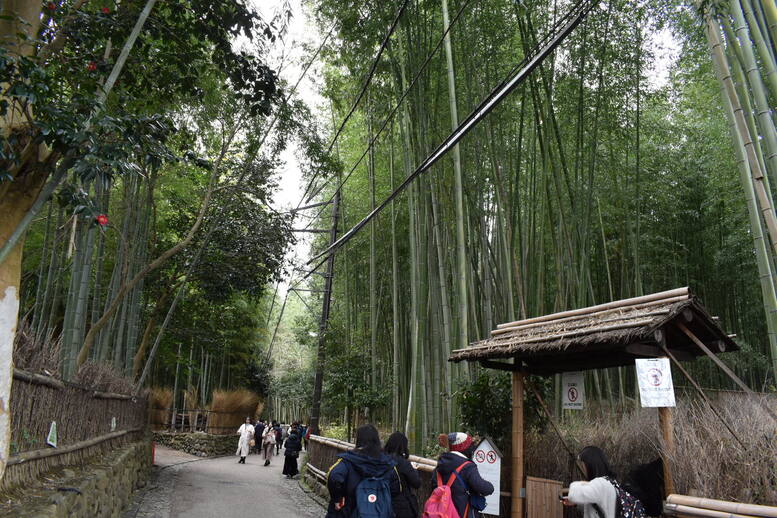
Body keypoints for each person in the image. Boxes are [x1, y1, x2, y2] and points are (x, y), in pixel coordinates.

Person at [325, 424, 401, 518]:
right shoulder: (388, 464)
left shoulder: (349, 461)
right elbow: (396, 488)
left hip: (349, 511)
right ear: (377, 440)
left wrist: (337, 499)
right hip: (380, 513)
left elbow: (333, 476)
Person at [432, 433, 494, 518]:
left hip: (441, 513)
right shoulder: (467, 467)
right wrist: (490, 486)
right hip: (461, 512)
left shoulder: (439, 465)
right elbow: (482, 487)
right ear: (464, 448)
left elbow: (434, 486)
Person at [562, 446, 617, 518]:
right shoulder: (611, 483)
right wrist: (576, 503)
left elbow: (573, 494)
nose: (582, 468)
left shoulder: (601, 483)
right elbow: (597, 507)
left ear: (591, 465)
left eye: (583, 464)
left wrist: (584, 484)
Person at [384, 432, 421, 518]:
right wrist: (414, 469)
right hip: (400, 506)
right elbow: (416, 483)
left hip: (382, 502)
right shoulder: (402, 463)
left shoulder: (380, 459)